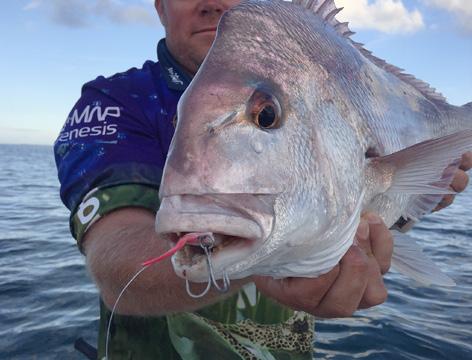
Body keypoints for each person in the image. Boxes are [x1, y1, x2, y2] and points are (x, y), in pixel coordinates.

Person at [54, 0, 472, 359]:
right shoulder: (116, 102)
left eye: (265, 117)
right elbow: (116, 263)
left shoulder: (303, 66)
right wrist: (267, 260)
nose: (211, 1)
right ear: (159, 5)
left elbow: (365, 191)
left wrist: (411, 201)